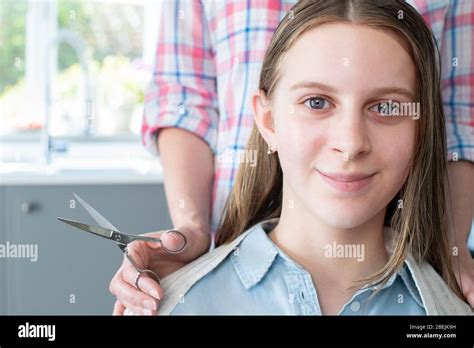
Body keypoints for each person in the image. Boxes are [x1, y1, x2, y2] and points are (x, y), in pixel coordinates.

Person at [109, 0, 474, 315]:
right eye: (316, 103)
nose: (350, 143)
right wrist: (192, 231)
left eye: (386, 106)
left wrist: (449, 258)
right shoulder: (182, 304)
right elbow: (183, 101)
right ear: (267, 120)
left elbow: (461, 116)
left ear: (423, 126)